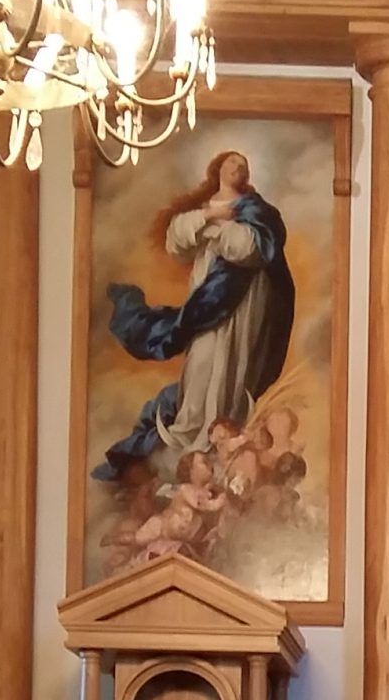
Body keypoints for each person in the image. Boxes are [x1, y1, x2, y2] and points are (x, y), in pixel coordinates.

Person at [96, 150, 297, 480]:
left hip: (241, 304)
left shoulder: (255, 210)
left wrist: (216, 229)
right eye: (232, 162)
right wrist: (211, 216)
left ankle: (222, 441)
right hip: (207, 300)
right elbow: (177, 242)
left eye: (243, 165)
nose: (237, 168)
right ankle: (192, 437)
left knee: (232, 366)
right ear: (217, 168)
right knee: (202, 363)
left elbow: (249, 249)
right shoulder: (205, 208)